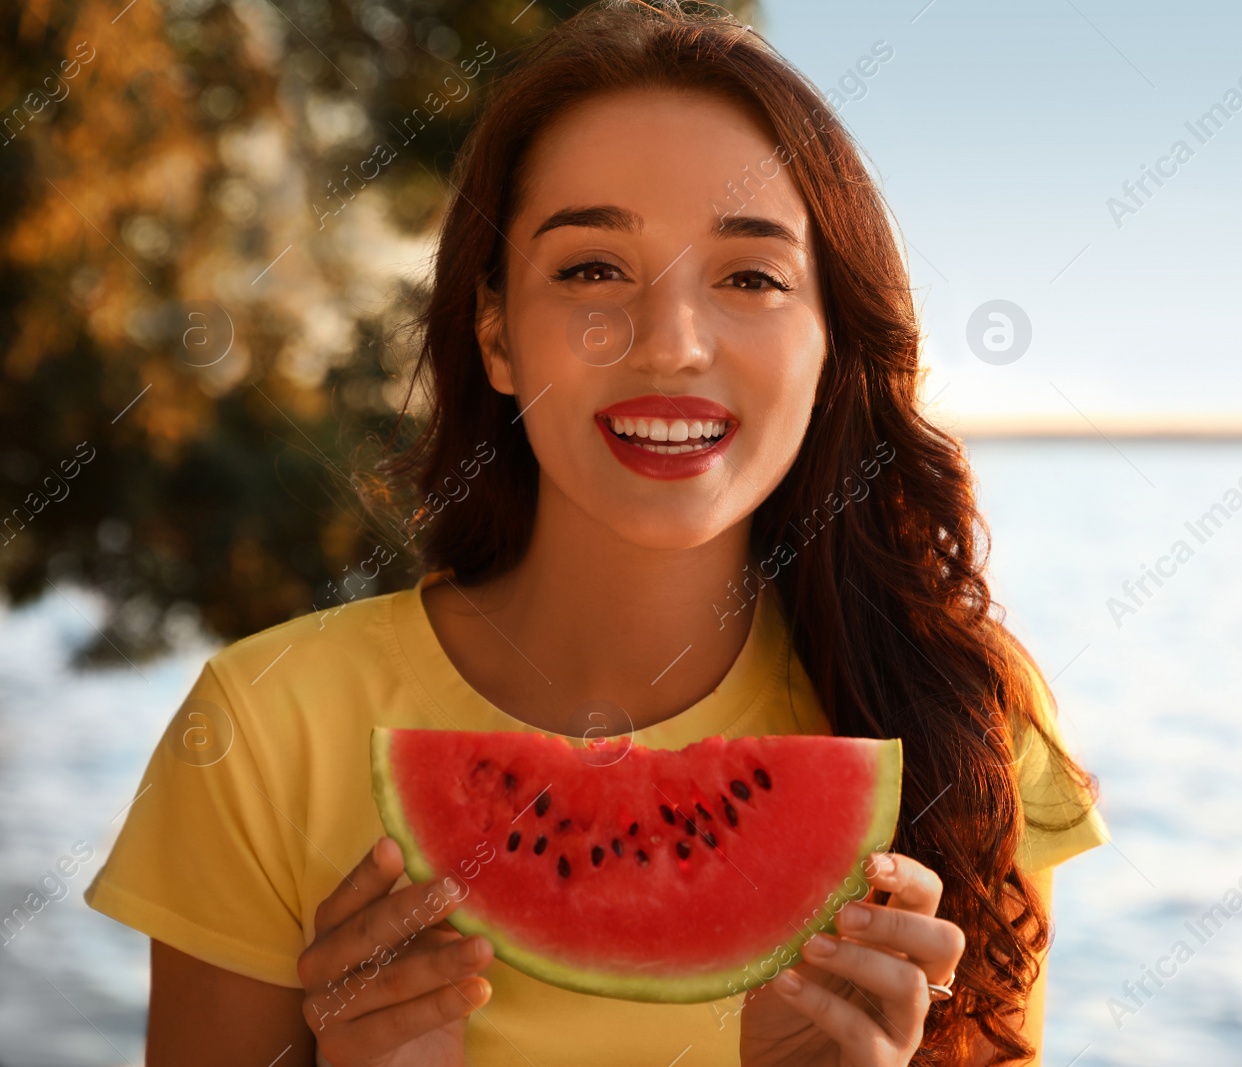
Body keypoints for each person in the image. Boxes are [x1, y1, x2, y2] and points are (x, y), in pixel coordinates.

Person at [84, 1, 1109, 1063]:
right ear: (495, 333)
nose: (671, 344)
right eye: (592, 270)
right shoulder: (264, 728)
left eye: (750, 277)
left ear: (832, 339)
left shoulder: (968, 720)